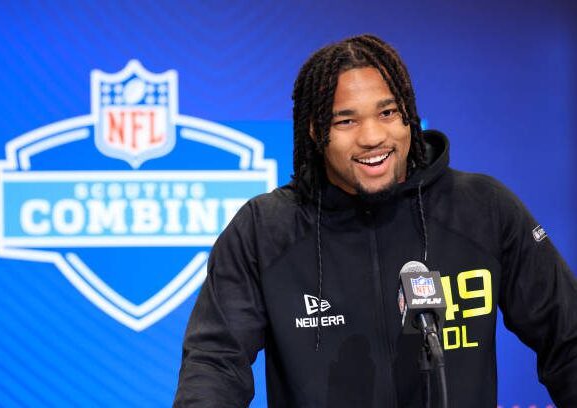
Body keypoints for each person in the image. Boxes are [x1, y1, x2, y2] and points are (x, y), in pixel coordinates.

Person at [174, 34, 577, 407]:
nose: (372, 136)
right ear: (316, 131)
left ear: (409, 118)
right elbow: (215, 365)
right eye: (346, 121)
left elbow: (568, 338)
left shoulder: (482, 208)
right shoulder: (265, 230)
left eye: (387, 112)